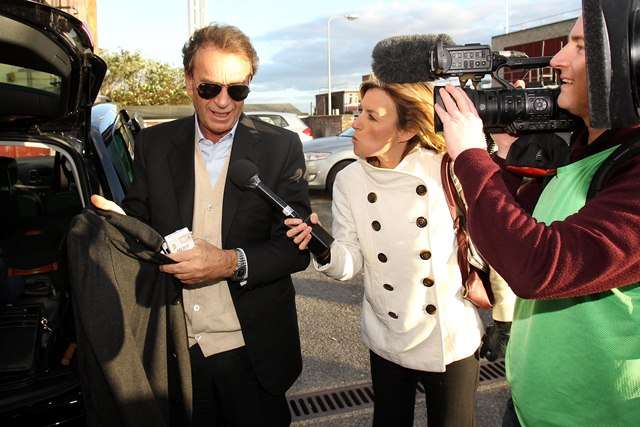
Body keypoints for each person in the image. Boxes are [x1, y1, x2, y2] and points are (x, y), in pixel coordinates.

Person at [93, 23, 310, 426]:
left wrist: (230, 263)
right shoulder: (154, 145)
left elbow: (295, 248)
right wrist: (118, 225)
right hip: (178, 348)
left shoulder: (281, 147)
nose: (224, 102)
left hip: (252, 350)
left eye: (237, 90)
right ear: (189, 81)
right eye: (210, 88)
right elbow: (140, 221)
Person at [434, 16, 640, 426]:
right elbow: (523, 226)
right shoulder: (591, 149)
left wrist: (471, 158)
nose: (558, 60)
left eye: (581, 48)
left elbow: (540, 266)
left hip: (601, 416)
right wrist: (505, 163)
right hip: (533, 406)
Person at [285, 78, 515, 427]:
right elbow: (349, 262)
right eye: (359, 112)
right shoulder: (349, 180)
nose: (356, 123)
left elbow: (498, 240)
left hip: (448, 338)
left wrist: (505, 316)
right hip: (387, 335)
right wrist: (321, 244)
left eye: (372, 116)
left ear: (406, 129)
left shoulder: (448, 169)